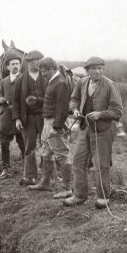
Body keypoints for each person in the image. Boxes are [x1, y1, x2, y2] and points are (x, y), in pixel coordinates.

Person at [63, 57, 123, 209]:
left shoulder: (110, 85)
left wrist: (100, 114)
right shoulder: (83, 82)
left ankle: (103, 196)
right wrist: (75, 110)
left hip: (102, 131)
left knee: (101, 164)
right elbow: (73, 99)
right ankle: (79, 195)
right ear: (87, 71)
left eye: (100, 68)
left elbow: (118, 111)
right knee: (78, 160)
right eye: (94, 69)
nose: (97, 71)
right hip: (85, 128)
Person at [27, 57, 73, 197]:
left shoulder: (60, 83)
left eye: (44, 71)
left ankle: (67, 189)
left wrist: (56, 127)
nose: (43, 74)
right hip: (48, 123)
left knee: (62, 155)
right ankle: (45, 183)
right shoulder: (53, 81)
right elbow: (52, 102)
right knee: (46, 153)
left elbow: (62, 108)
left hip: (54, 124)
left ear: (52, 69)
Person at [12, 50, 47, 186]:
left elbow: (50, 98)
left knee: (47, 145)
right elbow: (15, 100)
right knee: (29, 147)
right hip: (28, 119)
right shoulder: (21, 79)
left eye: (38, 60)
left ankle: (47, 175)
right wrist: (17, 119)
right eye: (33, 61)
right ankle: (30, 176)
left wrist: (38, 100)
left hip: (44, 117)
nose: (37, 63)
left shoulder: (45, 77)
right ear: (27, 63)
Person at [0, 52, 26, 179]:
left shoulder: (25, 79)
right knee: (4, 142)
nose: (15, 66)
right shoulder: (3, 81)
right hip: (5, 117)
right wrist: (1, 100)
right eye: (12, 64)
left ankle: (28, 169)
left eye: (17, 64)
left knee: (23, 142)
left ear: (20, 66)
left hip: (19, 117)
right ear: (7, 67)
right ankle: (5, 169)